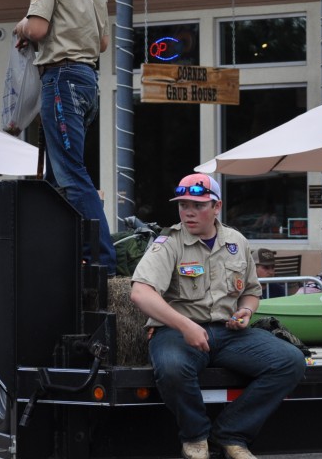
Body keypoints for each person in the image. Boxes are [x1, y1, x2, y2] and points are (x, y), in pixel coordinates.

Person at [130, 174, 306, 459]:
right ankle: (196, 437)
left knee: (290, 361)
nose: (188, 211)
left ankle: (231, 434)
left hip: (228, 332)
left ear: (216, 207)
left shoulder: (236, 241)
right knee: (173, 367)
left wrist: (246, 311)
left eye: (197, 205)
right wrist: (184, 325)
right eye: (183, 204)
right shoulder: (169, 242)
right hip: (176, 332)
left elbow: (251, 292)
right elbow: (140, 293)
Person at [13, 0, 115, 270]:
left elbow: (38, 29)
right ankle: (71, 255)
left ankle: (101, 260)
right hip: (87, 79)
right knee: (58, 178)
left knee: (70, 174)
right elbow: (103, 42)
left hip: (62, 79)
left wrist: (21, 27)